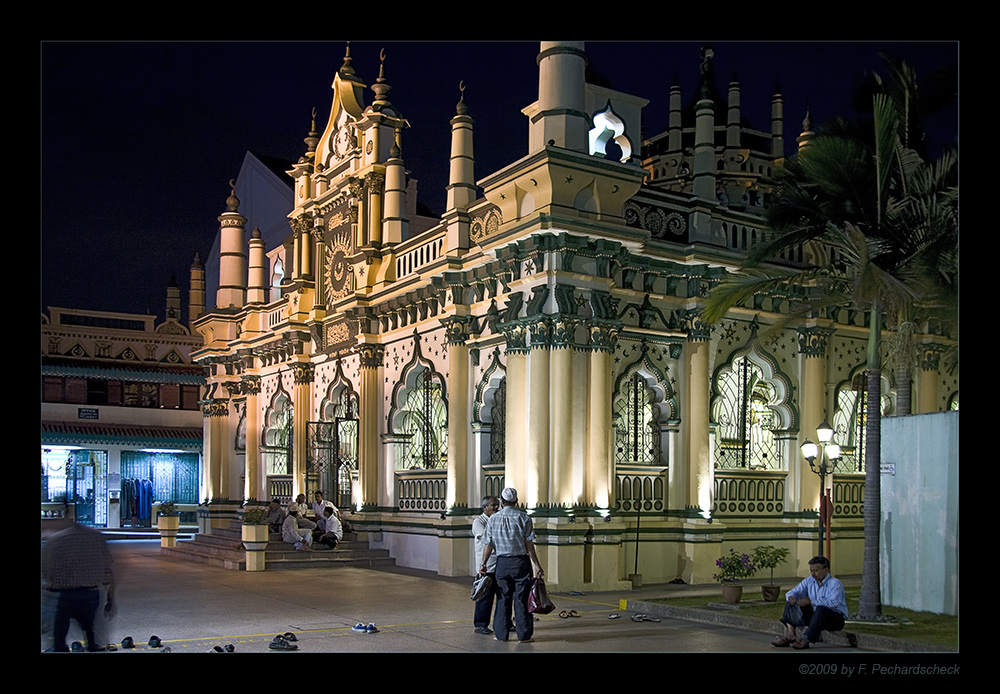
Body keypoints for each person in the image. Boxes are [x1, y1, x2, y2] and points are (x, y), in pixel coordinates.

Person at [480, 487, 544, 643]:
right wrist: (537, 565)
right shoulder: (524, 518)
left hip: (502, 563)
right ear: (516, 501)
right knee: (522, 600)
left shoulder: (493, 519)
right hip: (521, 563)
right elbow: (529, 545)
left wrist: (483, 564)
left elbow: (488, 545)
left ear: (502, 502)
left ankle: (501, 635)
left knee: (502, 599)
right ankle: (524, 635)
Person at [41, 522, 116, 652]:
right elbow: (107, 570)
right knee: (91, 630)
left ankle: (60, 648)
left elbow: (47, 571)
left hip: (64, 595)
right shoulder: (96, 537)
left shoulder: (56, 539)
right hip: (90, 593)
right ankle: (92, 647)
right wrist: (110, 599)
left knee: (60, 631)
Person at [771, 555, 849, 649]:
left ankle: (805, 640)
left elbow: (833, 603)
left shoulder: (835, 583)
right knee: (791, 603)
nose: (813, 574)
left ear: (826, 570)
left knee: (821, 609)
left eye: (816, 571)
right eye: (811, 570)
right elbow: (794, 591)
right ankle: (791, 634)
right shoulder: (809, 581)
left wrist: (811, 602)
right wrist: (791, 597)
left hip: (834, 618)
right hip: (816, 616)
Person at [472, 495, 500, 635]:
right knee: (484, 597)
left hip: (500, 565)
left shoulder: (497, 520)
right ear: (485, 507)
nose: (495, 507)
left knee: (502, 597)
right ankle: (480, 624)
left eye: (497, 505)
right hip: (486, 567)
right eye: (492, 505)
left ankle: (502, 623)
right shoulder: (479, 522)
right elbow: (486, 539)